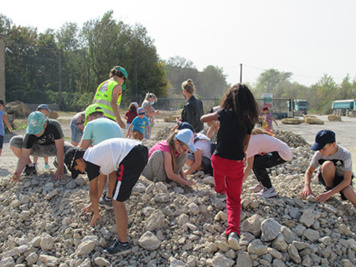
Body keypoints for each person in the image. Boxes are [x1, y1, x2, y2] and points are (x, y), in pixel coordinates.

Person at [64, 138, 148, 254]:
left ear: (78, 161)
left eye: (77, 169)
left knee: (118, 201)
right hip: (139, 150)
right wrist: (93, 204)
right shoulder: (95, 154)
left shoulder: (90, 162)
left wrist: (96, 212)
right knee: (116, 197)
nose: (81, 172)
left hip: (130, 156)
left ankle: (123, 244)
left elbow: (93, 191)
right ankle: (111, 203)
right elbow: (102, 181)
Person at [201, 84, 259, 250]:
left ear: (229, 99)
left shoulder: (223, 114)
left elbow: (202, 119)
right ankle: (233, 231)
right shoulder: (248, 120)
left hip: (218, 160)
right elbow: (246, 145)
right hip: (236, 163)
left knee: (219, 179)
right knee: (234, 200)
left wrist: (217, 115)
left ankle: (219, 188)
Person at [80, 104, 125, 209]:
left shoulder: (90, 125)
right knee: (113, 172)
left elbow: (82, 148)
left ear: (89, 117)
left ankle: (94, 203)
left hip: (104, 155)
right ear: (102, 114)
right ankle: (109, 199)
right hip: (121, 156)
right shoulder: (115, 124)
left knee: (100, 177)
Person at [10, 111, 73, 181]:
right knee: (15, 141)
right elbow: (24, 156)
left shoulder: (54, 125)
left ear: (45, 125)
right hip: (36, 149)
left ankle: (59, 162)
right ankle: (30, 167)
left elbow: (60, 148)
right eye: (33, 130)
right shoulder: (29, 133)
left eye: (37, 130)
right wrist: (18, 172)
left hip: (52, 148)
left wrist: (60, 169)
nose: (35, 133)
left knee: (70, 149)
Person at [301, 130, 356, 208]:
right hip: (327, 176)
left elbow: (347, 180)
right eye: (319, 148)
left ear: (333, 145)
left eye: (323, 148)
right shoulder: (319, 154)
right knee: (328, 164)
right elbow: (309, 171)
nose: (321, 151)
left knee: (349, 192)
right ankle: (329, 187)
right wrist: (307, 186)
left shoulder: (345, 154)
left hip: (342, 179)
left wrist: (330, 194)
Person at [243, 128, 293, 198]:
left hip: (283, 153)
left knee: (257, 163)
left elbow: (249, 166)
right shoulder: (251, 137)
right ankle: (262, 184)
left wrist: (239, 184)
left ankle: (269, 189)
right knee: (256, 160)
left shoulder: (251, 142)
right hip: (281, 150)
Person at [33, 104, 51, 170]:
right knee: (36, 150)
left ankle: (46, 164)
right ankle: (35, 164)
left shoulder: (45, 118)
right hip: (37, 135)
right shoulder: (36, 117)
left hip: (44, 135)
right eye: (46, 110)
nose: (47, 112)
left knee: (45, 148)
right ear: (43, 110)